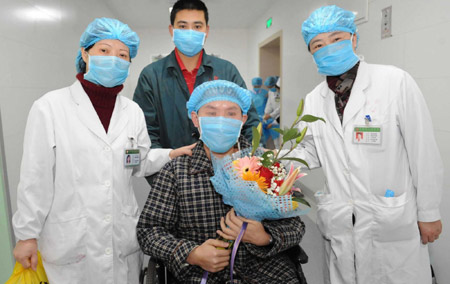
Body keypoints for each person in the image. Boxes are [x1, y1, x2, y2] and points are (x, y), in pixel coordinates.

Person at [11, 18, 194, 284]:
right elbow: (34, 177)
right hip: (70, 244)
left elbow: (137, 162)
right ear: (85, 53)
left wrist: (169, 155)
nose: (114, 59)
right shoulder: (50, 107)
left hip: (120, 241)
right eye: (104, 50)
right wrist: (27, 235)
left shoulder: (132, 111)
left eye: (123, 55)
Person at [283, 5, 443, 284]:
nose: (327, 48)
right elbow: (310, 150)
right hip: (341, 219)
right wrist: (273, 162)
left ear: (354, 38)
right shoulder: (314, 99)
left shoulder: (394, 82)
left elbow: (423, 152)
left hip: (390, 219)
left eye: (336, 39)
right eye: (317, 44)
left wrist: (428, 213)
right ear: (311, 53)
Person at [137, 80, 306, 283]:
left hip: (267, 273)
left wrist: (266, 237)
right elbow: (149, 231)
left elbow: (295, 226)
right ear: (196, 119)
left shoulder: (264, 163)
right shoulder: (177, 171)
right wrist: (191, 253)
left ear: (243, 119)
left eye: (231, 113)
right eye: (211, 113)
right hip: (200, 274)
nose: (221, 120)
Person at [133, 0, 259, 155]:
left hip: (226, 169)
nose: (190, 32)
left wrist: (243, 166)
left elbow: (249, 123)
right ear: (172, 30)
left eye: (197, 26)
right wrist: (165, 170)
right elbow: (145, 131)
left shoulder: (227, 71)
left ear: (207, 30)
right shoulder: (152, 75)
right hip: (170, 171)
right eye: (183, 26)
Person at [263, 76, 281, 148]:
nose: (270, 88)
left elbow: (281, 107)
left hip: (280, 117)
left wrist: (271, 115)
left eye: (270, 86)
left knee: (279, 141)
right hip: (273, 118)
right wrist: (266, 113)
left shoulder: (281, 92)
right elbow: (269, 104)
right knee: (275, 142)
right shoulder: (271, 92)